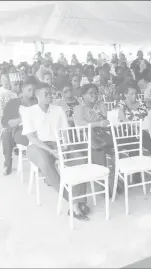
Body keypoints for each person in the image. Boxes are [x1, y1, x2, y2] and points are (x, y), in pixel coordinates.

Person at [23, 82, 90, 220]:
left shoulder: (58, 110)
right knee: (46, 163)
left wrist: (64, 146)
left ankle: (80, 200)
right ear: (37, 96)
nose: (49, 96)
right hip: (37, 147)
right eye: (45, 94)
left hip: (58, 144)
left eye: (50, 93)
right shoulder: (29, 112)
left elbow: (65, 132)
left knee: (80, 159)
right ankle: (73, 202)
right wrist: (50, 150)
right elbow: (32, 138)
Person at [1, 76, 38, 175]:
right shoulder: (13, 103)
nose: (32, 92)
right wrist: (22, 118)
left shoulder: (38, 102)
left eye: (34, 90)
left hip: (36, 130)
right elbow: (5, 122)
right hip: (19, 131)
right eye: (29, 89)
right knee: (5, 133)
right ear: (22, 89)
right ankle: (7, 163)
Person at [116, 82, 151, 156]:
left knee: (145, 135)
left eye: (135, 93)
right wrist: (135, 127)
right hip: (128, 131)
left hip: (144, 129)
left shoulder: (141, 103)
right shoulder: (121, 105)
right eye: (132, 94)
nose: (135, 96)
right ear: (125, 94)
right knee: (140, 137)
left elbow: (149, 116)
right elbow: (123, 119)